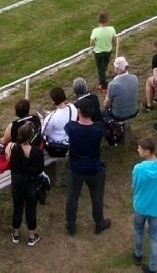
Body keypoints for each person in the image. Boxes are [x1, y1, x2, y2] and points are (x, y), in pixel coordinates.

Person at [63, 100, 111, 236]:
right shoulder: (98, 128)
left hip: (76, 168)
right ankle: (98, 223)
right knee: (96, 197)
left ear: (79, 112)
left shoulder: (71, 127)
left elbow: (68, 128)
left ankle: (71, 225)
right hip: (94, 168)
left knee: (72, 197)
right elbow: (103, 130)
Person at [131, 136, 157, 273]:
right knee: (154, 236)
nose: (138, 150)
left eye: (140, 149)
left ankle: (137, 255)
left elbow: (135, 186)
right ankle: (152, 267)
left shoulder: (138, 169)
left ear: (147, 151)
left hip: (141, 206)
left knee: (138, 230)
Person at [7, 121, 44, 246]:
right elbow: (40, 169)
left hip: (17, 182)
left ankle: (16, 234)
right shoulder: (36, 152)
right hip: (31, 183)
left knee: (17, 207)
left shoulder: (14, 149)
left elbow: (11, 165)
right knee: (31, 208)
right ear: (30, 137)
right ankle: (32, 236)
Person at [106, 57, 140, 123]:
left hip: (119, 116)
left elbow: (107, 104)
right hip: (134, 111)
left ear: (115, 69)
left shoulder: (112, 85)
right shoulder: (134, 78)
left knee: (103, 113)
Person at [89, 12, 116, 90]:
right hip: (108, 51)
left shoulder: (95, 31)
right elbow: (114, 40)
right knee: (104, 66)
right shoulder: (111, 29)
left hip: (98, 53)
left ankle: (103, 85)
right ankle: (103, 79)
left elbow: (91, 43)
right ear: (107, 20)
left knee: (100, 68)